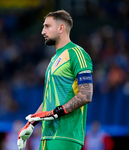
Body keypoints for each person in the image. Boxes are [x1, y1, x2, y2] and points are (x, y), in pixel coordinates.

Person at [17, 9, 93, 150]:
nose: (42, 32)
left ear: (61, 28)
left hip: (66, 136)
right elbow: (48, 99)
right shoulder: (53, 59)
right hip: (47, 136)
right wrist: (32, 123)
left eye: (47, 26)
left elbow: (86, 95)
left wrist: (57, 112)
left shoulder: (77, 53)